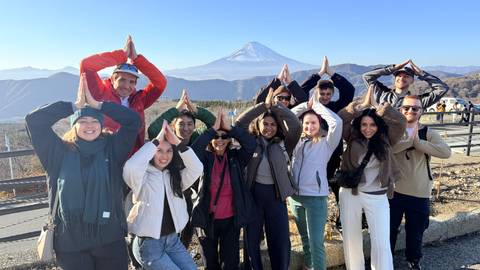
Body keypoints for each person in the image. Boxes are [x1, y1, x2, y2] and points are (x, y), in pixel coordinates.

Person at [25, 75, 141, 270]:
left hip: (110, 240)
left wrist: (99, 105)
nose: (89, 126)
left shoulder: (112, 149)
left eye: (94, 121)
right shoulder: (57, 152)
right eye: (82, 120)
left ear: (101, 124)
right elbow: (34, 121)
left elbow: (132, 121)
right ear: (74, 125)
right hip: (70, 244)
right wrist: (72, 105)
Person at [337, 85, 406, 270]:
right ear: (359, 125)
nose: (368, 129)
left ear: (379, 125)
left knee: (381, 243)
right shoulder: (352, 137)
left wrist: (379, 107)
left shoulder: (386, 139)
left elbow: (400, 122)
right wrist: (359, 105)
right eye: (364, 124)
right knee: (351, 240)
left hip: (377, 195)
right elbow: (339, 119)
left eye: (372, 124)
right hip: (351, 193)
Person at [123, 120, 203, 270]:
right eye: (159, 150)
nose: (164, 156)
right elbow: (131, 167)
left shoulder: (175, 176)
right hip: (148, 245)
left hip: (173, 241)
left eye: (169, 151)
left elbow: (197, 168)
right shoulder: (142, 177)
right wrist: (155, 142)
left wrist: (178, 143)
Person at [235, 89, 302, 270]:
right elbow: (239, 123)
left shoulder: (284, 143)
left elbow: (296, 125)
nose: (269, 128)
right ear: (258, 124)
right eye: (265, 123)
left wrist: (277, 106)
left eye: (273, 124)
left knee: (279, 239)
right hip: (253, 196)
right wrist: (263, 106)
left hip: (276, 197)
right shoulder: (250, 142)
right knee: (252, 240)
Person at [147, 89, 216, 248]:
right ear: (173, 125)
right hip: (172, 192)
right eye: (181, 124)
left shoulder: (198, 138)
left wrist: (196, 111)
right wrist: (175, 110)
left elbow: (214, 125)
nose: (185, 128)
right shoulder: (166, 141)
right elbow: (152, 130)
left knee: (189, 231)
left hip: (195, 193)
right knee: (172, 232)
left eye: (189, 124)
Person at [390, 96, 451, 270]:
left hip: (419, 191)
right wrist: (409, 142)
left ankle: (413, 260)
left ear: (421, 111)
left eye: (415, 108)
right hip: (393, 190)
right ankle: (387, 259)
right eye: (407, 107)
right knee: (389, 230)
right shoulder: (393, 131)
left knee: (416, 232)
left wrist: (418, 143)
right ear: (400, 110)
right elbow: (386, 150)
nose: (410, 111)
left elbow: (446, 152)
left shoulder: (428, 133)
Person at [191, 110, 257, 270]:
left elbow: (250, 144)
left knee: (230, 263)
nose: (219, 140)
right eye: (216, 137)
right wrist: (212, 130)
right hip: (207, 220)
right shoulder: (204, 159)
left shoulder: (235, 158)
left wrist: (231, 129)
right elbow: (193, 149)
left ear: (229, 140)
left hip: (231, 220)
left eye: (224, 137)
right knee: (210, 263)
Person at [80, 35, 167, 153]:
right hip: (105, 157)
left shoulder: (139, 100)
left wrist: (137, 59)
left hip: (132, 158)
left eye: (132, 82)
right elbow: (86, 65)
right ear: (112, 79)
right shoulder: (99, 94)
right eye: (122, 80)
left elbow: (160, 83)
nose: (126, 86)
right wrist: (122, 55)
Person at [297, 56, 356, 230]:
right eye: (321, 94)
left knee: (337, 188)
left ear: (332, 94)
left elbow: (349, 90)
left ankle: (342, 219)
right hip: (311, 157)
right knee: (314, 190)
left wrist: (331, 74)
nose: (324, 97)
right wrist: (318, 74)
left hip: (333, 156)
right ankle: (314, 222)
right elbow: (301, 90)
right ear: (316, 94)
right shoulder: (308, 110)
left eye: (328, 94)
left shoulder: (337, 108)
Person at [289, 89, 343, 270]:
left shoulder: (327, 143)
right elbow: (287, 117)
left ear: (319, 124)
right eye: (306, 123)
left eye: (313, 123)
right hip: (295, 198)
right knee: (304, 238)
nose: (309, 126)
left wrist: (317, 107)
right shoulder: (296, 141)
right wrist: (306, 106)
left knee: (316, 242)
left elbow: (337, 122)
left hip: (315, 199)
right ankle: (309, 265)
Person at [363, 60, 448, 109]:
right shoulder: (381, 93)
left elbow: (442, 89)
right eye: (399, 76)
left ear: (412, 81)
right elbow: (367, 76)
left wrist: (421, 74)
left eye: (406, 76)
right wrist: (392, 68)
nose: (401, 78)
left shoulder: (418, 101)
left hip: (406, 139)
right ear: (395, 79)